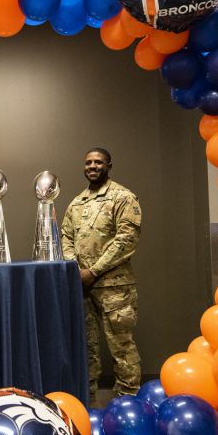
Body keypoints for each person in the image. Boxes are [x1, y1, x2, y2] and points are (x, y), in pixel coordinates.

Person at [61, 148, 143, 403]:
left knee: (122, 347)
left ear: (109, 165)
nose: (93, 166)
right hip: (81, 287)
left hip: (113, 287)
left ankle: (129, 401)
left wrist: (93, 271)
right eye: (88, 162)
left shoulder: (123, 197)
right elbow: (65, 236)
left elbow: (126, 240)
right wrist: (74, 268)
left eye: (98, 162)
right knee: (87, 347)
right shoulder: (77, 203)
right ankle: (88, 401)